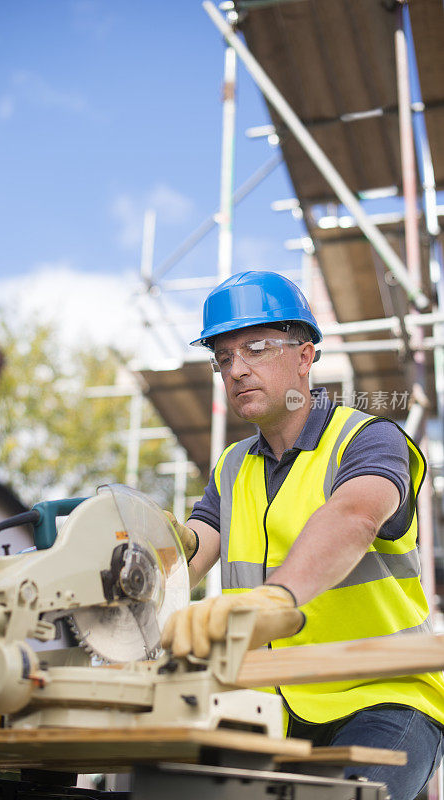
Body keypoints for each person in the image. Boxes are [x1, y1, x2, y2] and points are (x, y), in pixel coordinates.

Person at [161, 270, 444, 800]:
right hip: (268, 704)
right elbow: (196, 545)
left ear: (305, 355)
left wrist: (274, 599)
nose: (237, 370)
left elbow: (355, 516)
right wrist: (156, 549)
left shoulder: (368, 438)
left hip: (384, 695)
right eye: (223, 359)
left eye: (257, 348)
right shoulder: (232, 466)